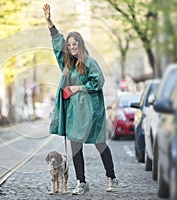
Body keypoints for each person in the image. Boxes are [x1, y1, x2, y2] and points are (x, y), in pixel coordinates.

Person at [43, 3, 118, 195]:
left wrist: (79, 87)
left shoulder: (89, 62)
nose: (71, 47)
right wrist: (50, 22)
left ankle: (111, 177)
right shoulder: (66, 63)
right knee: (76, 145)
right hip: (75, 111)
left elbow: (99, 81)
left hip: (92, 110)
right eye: (69, 45)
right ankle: (81, 182)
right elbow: (58, 45)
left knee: (99, 142)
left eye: (74, 44)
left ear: (80, 45)